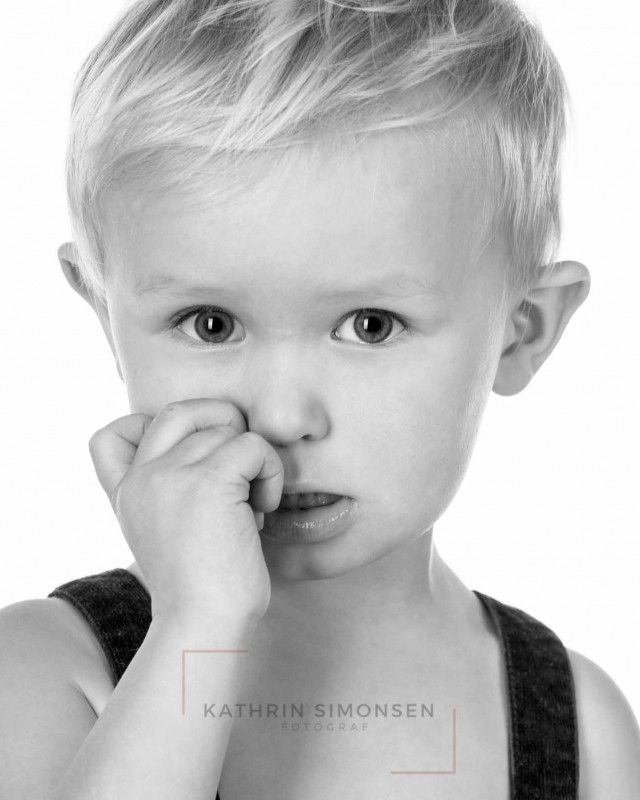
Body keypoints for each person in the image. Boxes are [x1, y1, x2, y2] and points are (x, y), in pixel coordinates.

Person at [1, 0, 638, 797]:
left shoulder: (581, 728)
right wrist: (197, 626)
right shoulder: (45, 673)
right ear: (106, 315)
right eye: (210, 323)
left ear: (521, 331)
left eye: (371, 326)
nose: (280, 418)